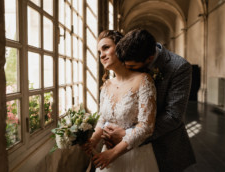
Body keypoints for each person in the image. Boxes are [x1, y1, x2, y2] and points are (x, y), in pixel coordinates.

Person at [102, 28, 196, 172]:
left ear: (149, 59)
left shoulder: (179, 67)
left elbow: (173, 116)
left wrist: (128, 134)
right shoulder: (134, 48)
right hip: (122, 149)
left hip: (163, 146)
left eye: (132, 67)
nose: (129, 70)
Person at [83, 30, 159, 172]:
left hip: (134, 157)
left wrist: (113, 153)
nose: (102, 55)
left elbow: (146, 126)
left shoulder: (143, 80)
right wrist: (94, 139)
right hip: (107, 157)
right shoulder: (106, 85)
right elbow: (102, 118)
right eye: (99, 51)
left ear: (120, 47)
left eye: (106, 48)